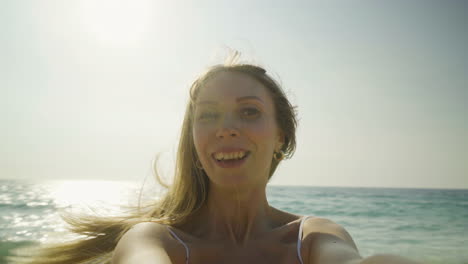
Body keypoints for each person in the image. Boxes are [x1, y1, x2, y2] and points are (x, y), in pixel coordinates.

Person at [11, 54, 421, 264]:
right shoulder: (155, 241)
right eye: (208, 115)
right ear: (194, 141)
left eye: (248, 111)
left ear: (281, 136)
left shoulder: (311, 238)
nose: (226, 127)